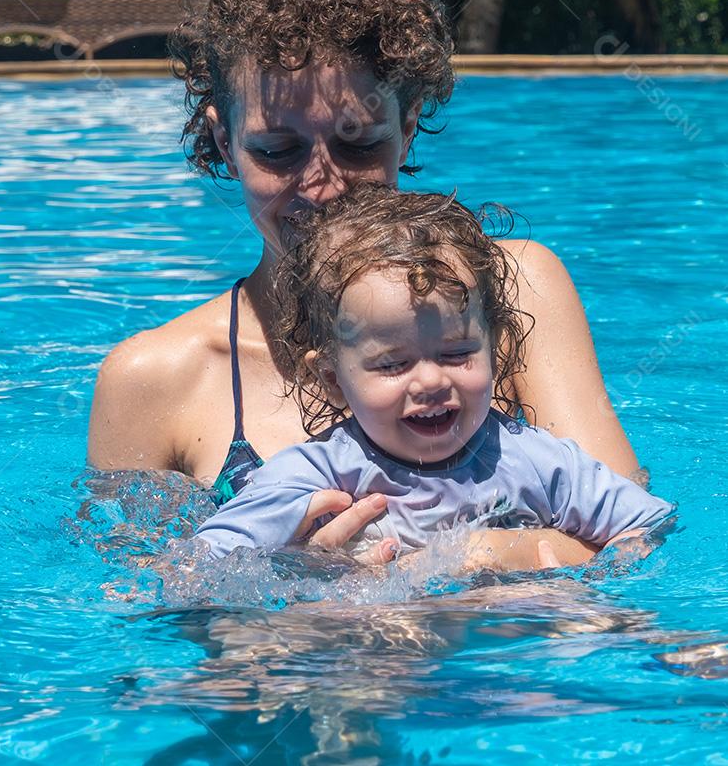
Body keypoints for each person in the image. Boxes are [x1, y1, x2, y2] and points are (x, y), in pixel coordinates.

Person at [88, 0, 640, 569]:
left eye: (357, 144)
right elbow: (136, 619)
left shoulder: (516, 287)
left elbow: (633, 548)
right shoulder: (155, 380)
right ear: (222, 142)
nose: (323, 187)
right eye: (278, 150)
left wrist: (485, 553)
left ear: (407, 129)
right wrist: (288, 586)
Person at [193, 185, 672, 559]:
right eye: (393, 364)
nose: (430, 382)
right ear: (333, 379)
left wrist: (588, 580)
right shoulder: (317, 473)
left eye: (457, 353)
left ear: (493, 347)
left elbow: (647, 522)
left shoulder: (533, 460)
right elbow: (207, 557)